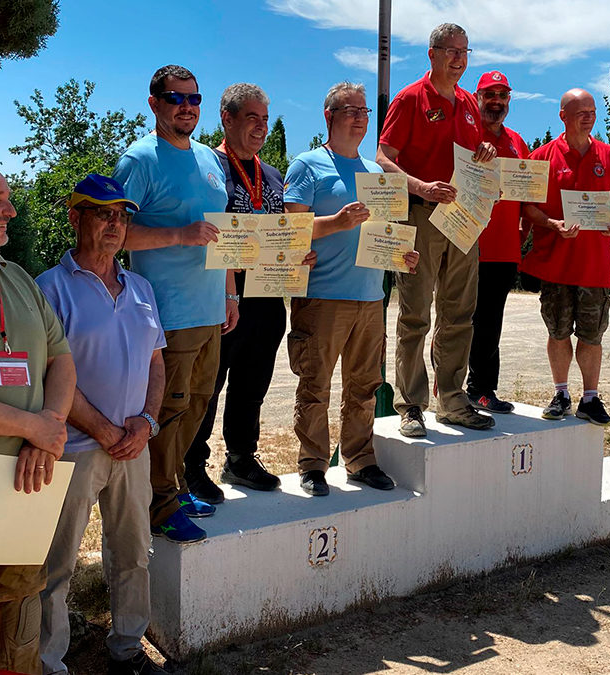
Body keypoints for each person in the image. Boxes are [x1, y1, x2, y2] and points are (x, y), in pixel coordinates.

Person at [36, 175, 166, 675]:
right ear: (75, 218)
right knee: (57, 562)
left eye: (122, 215)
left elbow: (157, 361)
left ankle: (128, 648)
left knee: (134, 552)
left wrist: (147, 422)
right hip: (73, 448)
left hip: (134, 447)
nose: (115, 223)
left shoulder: (140, 287)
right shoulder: (48, 288)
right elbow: (52, 375)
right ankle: (48, 660)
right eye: (102, 212)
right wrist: (107, 431)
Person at [113, 64, 235, 543]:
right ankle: (159, 506)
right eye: (174, 98)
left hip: (210, 310)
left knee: (198, 405)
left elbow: (224, 233)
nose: (186, 107)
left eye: (193, 99)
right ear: (154, 104)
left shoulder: (209, 158)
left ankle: (175, 487)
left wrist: (229, 293)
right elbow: (115, 232)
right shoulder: (139, 159)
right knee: (166, 410)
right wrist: (178, 235)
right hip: (167, 314)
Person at [284, 81, 419, 496]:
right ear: (329, 116)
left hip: (370, 298)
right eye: (351, 111)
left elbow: (388, 233)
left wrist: (402, 257)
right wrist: (336, 223)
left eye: (364, 112)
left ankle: (360, 460)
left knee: (363, 387)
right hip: (322, 297)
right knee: (315, 386)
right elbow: (289, 232)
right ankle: (312, 465)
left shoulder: (377, 173)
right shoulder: (307, 166)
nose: (361, 118)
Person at [185, 84, 315, 503]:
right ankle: (191, 466)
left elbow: (280, 232)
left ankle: (240, 458)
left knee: (253, 383)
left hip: (268, 294)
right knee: (209, 384)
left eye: (265, 118)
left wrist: (296, 256)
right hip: (224, 293)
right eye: (251, 118)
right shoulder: (208, 166)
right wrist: (229, 287)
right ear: (227, 119)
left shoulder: (272, 174)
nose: (261, 127)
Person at [376, 23, 497, 437]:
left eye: (465, 51)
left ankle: (452, 398)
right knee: (414, 314)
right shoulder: (410, 98)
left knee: (460, 312)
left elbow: (475, 155)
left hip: (463, 219)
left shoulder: (467, 102)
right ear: (432, 54)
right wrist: (422, 185)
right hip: (419, 215)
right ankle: (410, 404)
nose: (459, 59)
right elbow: (383, 158)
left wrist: (486, 151)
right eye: (451, 51)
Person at [0, 160, 76, 675]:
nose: (12, 210)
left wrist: (48, 429)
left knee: (16, 638)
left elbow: (60, 358)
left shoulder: (17, 277)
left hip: (21, 497)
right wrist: (33, 428)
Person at [522, 88, 610, 425]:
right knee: (557, 332)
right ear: (562, 116)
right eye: (580, 111)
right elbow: (528, 207)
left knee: (592, 335)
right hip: (555, 263)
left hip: (595, 266)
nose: (588, 117)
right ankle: (561, 393)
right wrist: (551, 223)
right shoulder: (540, 158)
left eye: (592, 111)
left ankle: (590, 398)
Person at [467, 70, 530, 414]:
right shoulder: (466, 134)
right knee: (460, 320)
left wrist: (524, 235)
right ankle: (452, 387)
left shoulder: (518, 142)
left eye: (502, 96)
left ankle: (482, 389)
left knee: (491, 323)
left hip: (504, 250)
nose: (496, 102)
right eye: (489, 94)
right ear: (476, 98)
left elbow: (529, 195)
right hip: (466, 243)